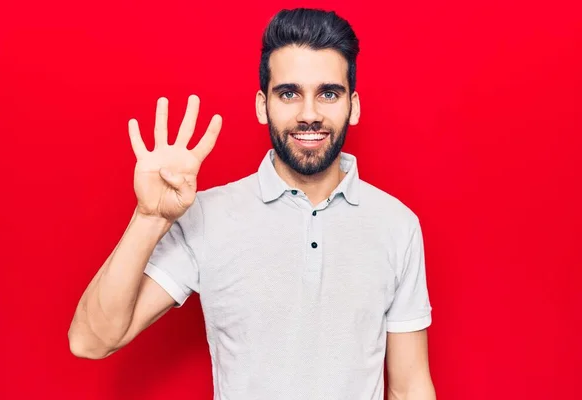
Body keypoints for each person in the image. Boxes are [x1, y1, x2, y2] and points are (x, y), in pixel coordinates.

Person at [68, 7, 436, 400]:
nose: (309, 114)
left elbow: (410, 386)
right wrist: (149, 217)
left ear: (354, 105)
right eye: (289, 93)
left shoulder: (397, 226)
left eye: (328, 93)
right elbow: (91, 340)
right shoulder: (209, 217)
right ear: (263, 105)